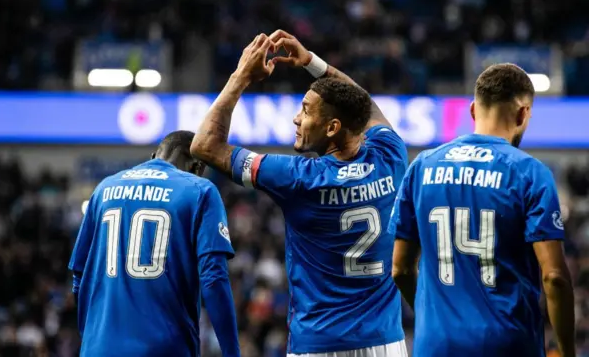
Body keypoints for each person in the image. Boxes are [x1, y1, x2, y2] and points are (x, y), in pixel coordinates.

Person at [191, 30, 409, 357]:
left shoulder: (298, 178)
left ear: (333, 127)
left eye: (306, 110)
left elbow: (204, 146)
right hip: (386, 343)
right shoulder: (391, 156)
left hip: (318, 344)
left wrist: (241, 76)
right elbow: (364, 103)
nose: (296, 117)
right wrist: (311, 62)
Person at [388, 63, 575, 357]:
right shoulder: (529, 173)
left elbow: (399, 269)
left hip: (435, 346)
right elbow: (555, 277)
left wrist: (432, 320)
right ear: (523, 113)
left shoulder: (421, 166)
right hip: (508, 345)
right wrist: (567, 350)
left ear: (473, 110)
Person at [68, 130, 240, 357]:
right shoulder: (200, 190)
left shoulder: (104, 189)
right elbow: (214, 279)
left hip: (97, 348)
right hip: (165, 347)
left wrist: (91, 337)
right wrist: (232, 353)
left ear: (153, 156)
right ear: (198, 167)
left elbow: (78, 278)